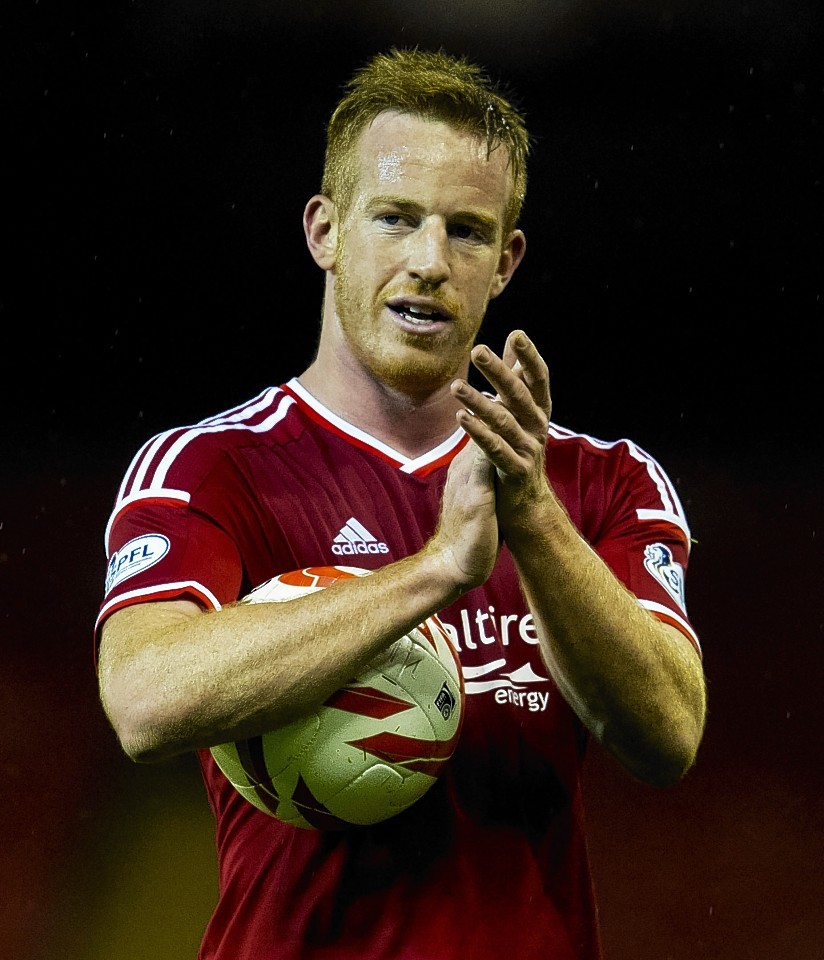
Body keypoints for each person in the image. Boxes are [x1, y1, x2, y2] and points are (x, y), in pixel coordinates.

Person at [95, 47, 707, 960]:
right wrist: (434, 573)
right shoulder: (211, 468)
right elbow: (145, 701)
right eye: (396, 218)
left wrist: (534, 519)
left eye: (466, 231)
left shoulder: (600, 482)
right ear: (324, 232)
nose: (429, 261)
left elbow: (667, 738)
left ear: (505, 263)